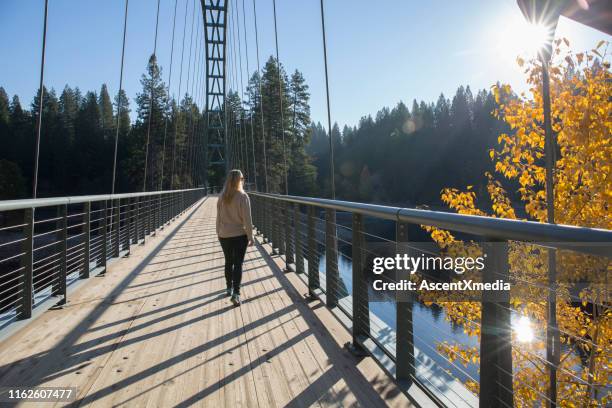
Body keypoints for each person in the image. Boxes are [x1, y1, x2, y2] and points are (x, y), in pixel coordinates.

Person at [216, 169, 253, 306]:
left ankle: (228, 288)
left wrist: (218, 232)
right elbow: (247, 220)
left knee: (228, 261)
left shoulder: (221, 196)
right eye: (242, 179)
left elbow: (218, 218)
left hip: (224, 235)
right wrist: (251, 237)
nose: (243, 181)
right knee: (238, 264)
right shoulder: (243, 197)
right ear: (239, 180)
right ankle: (236, 294)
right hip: (239, 235)